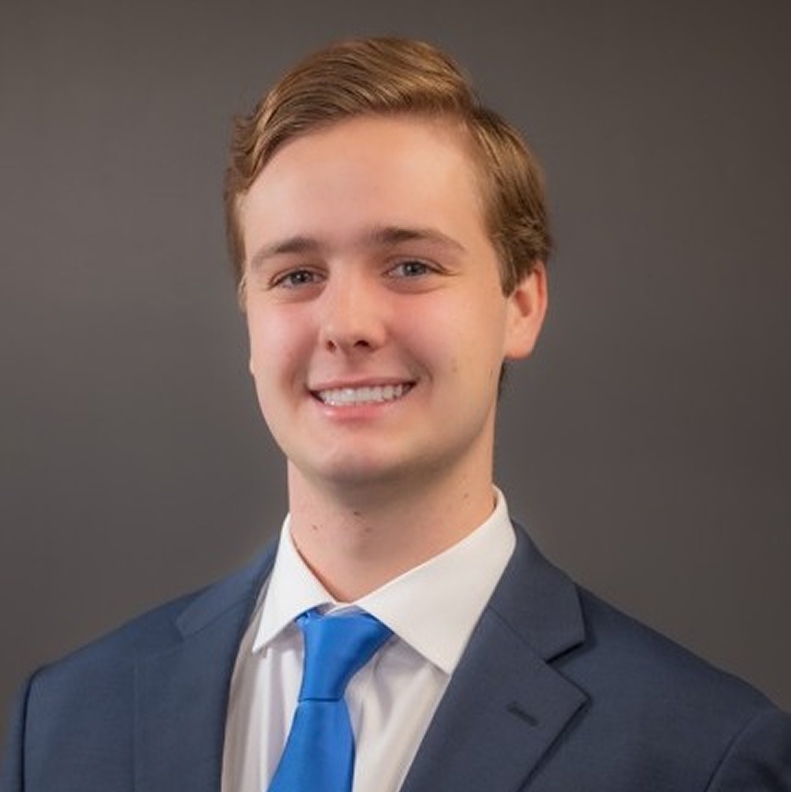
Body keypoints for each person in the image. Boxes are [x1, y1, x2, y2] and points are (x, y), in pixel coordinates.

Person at [2, 36, 790, 792]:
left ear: (521, 303)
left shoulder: (700, 755)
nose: (347, 324)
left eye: (410, 266)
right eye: (296, 274)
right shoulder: (63, 720)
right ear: (248, 318)